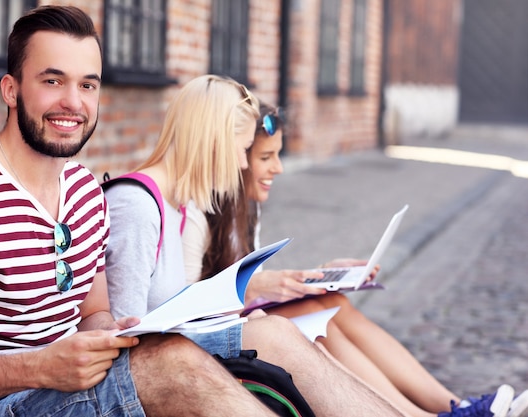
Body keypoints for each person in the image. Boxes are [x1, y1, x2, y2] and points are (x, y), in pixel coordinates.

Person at [0, 7, 310, 417]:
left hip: (69, 387)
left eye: (88, 85)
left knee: (273, 334)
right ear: (11, 90)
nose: (73, 102)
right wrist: (39, 367)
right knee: (176, 368)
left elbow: (94, 311)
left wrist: (109, 332)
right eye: (52, 80)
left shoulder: (83, 190)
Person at [104, 73, 447, 417]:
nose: (242, 164)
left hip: (183, 351)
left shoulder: (172, 205)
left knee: (287, 329)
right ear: (213, 141)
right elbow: (122, 340)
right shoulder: (137, 206)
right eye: (242, 150)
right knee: (281, 333)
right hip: (163, 370)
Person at [181, 101, 528, 417]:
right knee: (315, 315)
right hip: (218, 338)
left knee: (332, 301)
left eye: (278, 155)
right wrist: (264, 292)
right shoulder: (198, 211)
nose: (279, 168)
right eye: (265, 157)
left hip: (243, 319)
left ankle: (457, 406)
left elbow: (249, 280)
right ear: (235, 156)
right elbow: (190, 302)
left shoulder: (246, 208)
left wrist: (324, 275)